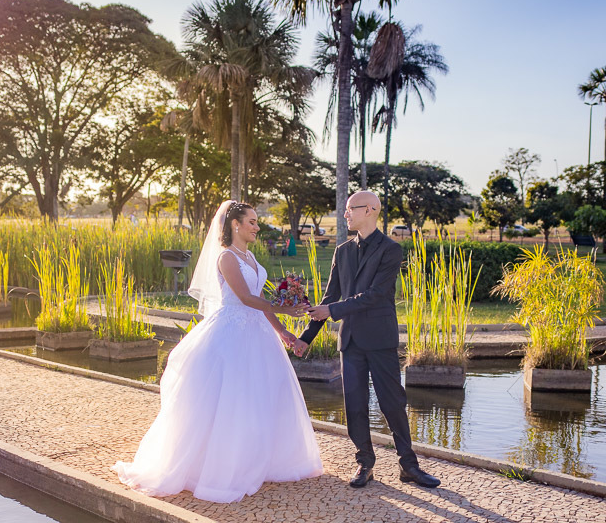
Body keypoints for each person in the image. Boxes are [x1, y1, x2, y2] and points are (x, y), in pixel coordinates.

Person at [113, 201, 322, 503]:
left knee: (260, 397)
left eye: (256, 222)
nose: (257, 227)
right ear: (235, 224)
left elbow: (259, 301)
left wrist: (283, 331)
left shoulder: (250, 257)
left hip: (259, 334)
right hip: (232, 333)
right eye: (252, 222)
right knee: (230, 400)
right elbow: (246, 298)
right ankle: (218, 468)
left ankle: (258, 461)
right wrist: (284, 309)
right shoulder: (226, 257)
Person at [293, 191, 440, 489]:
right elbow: (330, 297)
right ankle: (364, 462)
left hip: (380, 339)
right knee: (355, 406)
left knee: (393, 403)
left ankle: (409, 466)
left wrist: (333, 311)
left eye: (350, 209)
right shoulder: (342, 251)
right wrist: (306, 337)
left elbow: (376, 295)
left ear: (370, 210)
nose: (345, 214)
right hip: (350, 342)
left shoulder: (391, 250)